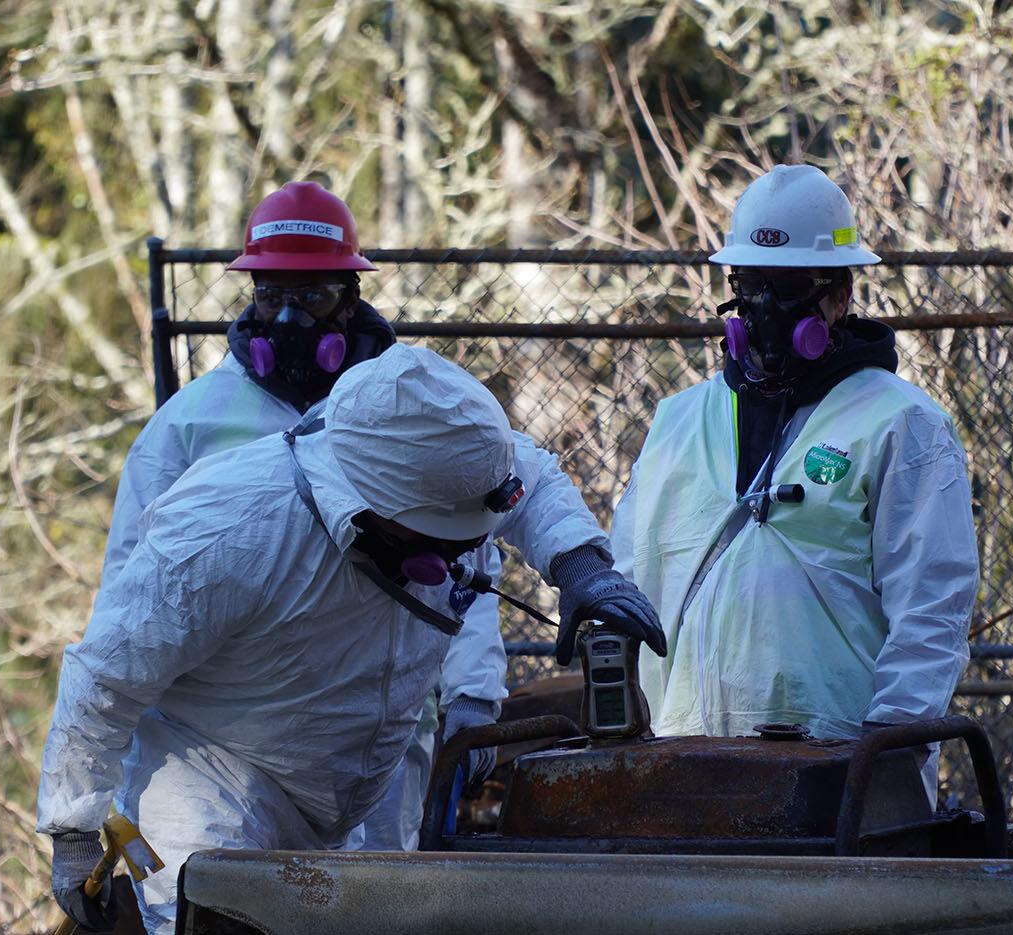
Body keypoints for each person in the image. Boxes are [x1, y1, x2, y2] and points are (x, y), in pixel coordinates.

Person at [95, 181, 650, 854]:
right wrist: (102, 783)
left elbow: (500, 491)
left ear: (350, 296)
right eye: (270, 295)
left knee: (376, 897)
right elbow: (127, 605)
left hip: (382, 738)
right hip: (227, 748)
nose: (288, 318)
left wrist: (573, 570)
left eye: (312, 295)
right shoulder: (189, 428)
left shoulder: (408, 400)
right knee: (222, 897)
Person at [40, 345, 666, 934]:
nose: (455, 557)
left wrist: (580, 565)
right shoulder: (226, 532)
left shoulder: (453, 459)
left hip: (346, 789)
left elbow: (531, 481)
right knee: (218, 918)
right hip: (207, 781)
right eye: (440, 539)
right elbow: (106, 678)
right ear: (372, 508)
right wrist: (74, 827)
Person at [612, 164, 978, 802]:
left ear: (840, 295)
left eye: (789, 287)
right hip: (681, 761)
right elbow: (630, 574)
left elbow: (933, 603)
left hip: (836, 767)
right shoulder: (679, 422)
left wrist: (891, 744)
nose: (765, 308)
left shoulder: (900, 423)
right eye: (751, 284)